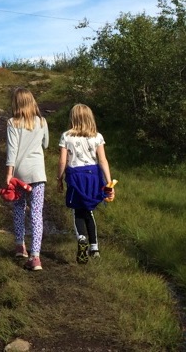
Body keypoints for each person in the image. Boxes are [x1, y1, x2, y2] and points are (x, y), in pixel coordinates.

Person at [56, 103, 114, 264]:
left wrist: (59, 178)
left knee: (78, 211)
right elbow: (103, 160)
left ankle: (82, 238)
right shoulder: (97, 136)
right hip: (93, 175)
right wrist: (109, 181)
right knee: (89, 210)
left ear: (72, 118)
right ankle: (94, 247)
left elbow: (62, 161)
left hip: (75, 176)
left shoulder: (66, 136)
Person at [5, 88, 49, 271]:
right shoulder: (42, 122)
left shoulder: (12, 123)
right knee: (36, 213)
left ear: (16, 103)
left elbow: (12, 150)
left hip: (19, 175)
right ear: (32, 102)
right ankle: (35, 257)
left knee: (18, 208)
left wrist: (9, 173)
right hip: (38, 173)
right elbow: (46, 144)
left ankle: (20, 245)